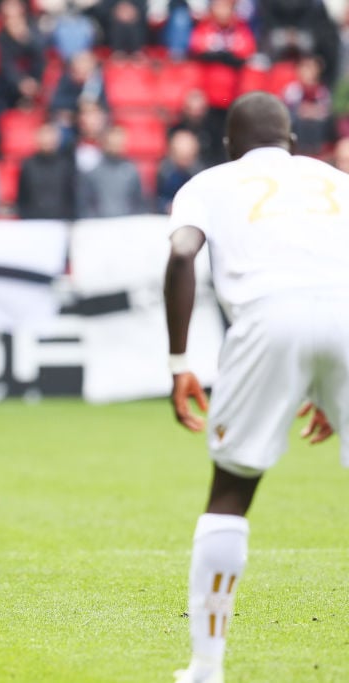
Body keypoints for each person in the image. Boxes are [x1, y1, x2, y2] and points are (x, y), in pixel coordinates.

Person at [164, 91, 349, 683]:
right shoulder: (333, 180)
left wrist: (178, 362)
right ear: (291, 141)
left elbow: (181, 254)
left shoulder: (208, 183)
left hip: (267, 318)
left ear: (228, 144)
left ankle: (206, 667)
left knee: (231, 492)